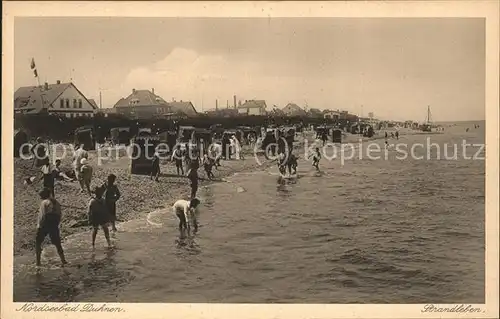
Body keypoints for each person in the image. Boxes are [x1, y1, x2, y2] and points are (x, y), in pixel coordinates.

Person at [35, 187, 67, 267]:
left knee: (38, 242)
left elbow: (43, 216)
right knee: (57, 243)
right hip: (54, 224)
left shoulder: (44, 202)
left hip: (45, 224)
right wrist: (56, 224)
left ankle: (38, 263)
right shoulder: (56, 202)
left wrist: (40, 226)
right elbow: (59, 215)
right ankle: (63, 261)